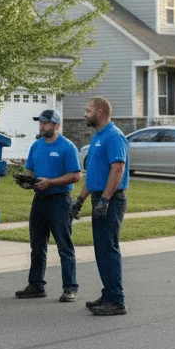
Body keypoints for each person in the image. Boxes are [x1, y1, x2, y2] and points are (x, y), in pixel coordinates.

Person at [15, 109, 82, 302]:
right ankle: (36, 285)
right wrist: (27, 181)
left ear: (56, 126)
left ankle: (70, 288)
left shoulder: (67, 147)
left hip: (60, 201)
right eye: (40, 123)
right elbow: (30, 170)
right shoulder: (36, 146)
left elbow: (76, 175)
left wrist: (50, 182)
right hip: (39, 201)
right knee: (37, 245)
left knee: (64, 245)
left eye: (45, 123)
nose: (41, 126)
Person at [74, 96, 129, 316]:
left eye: (87, 110)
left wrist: (105, 199)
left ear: (99, 112)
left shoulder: (114, 136)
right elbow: (94, 175)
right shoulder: (98, 137)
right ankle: (108, 294)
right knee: (101, 250)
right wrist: (80, 200)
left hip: (112, 200)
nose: (84, 114)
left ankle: (116, 300)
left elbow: (118, 169)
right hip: (99, 197)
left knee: (109, 248)